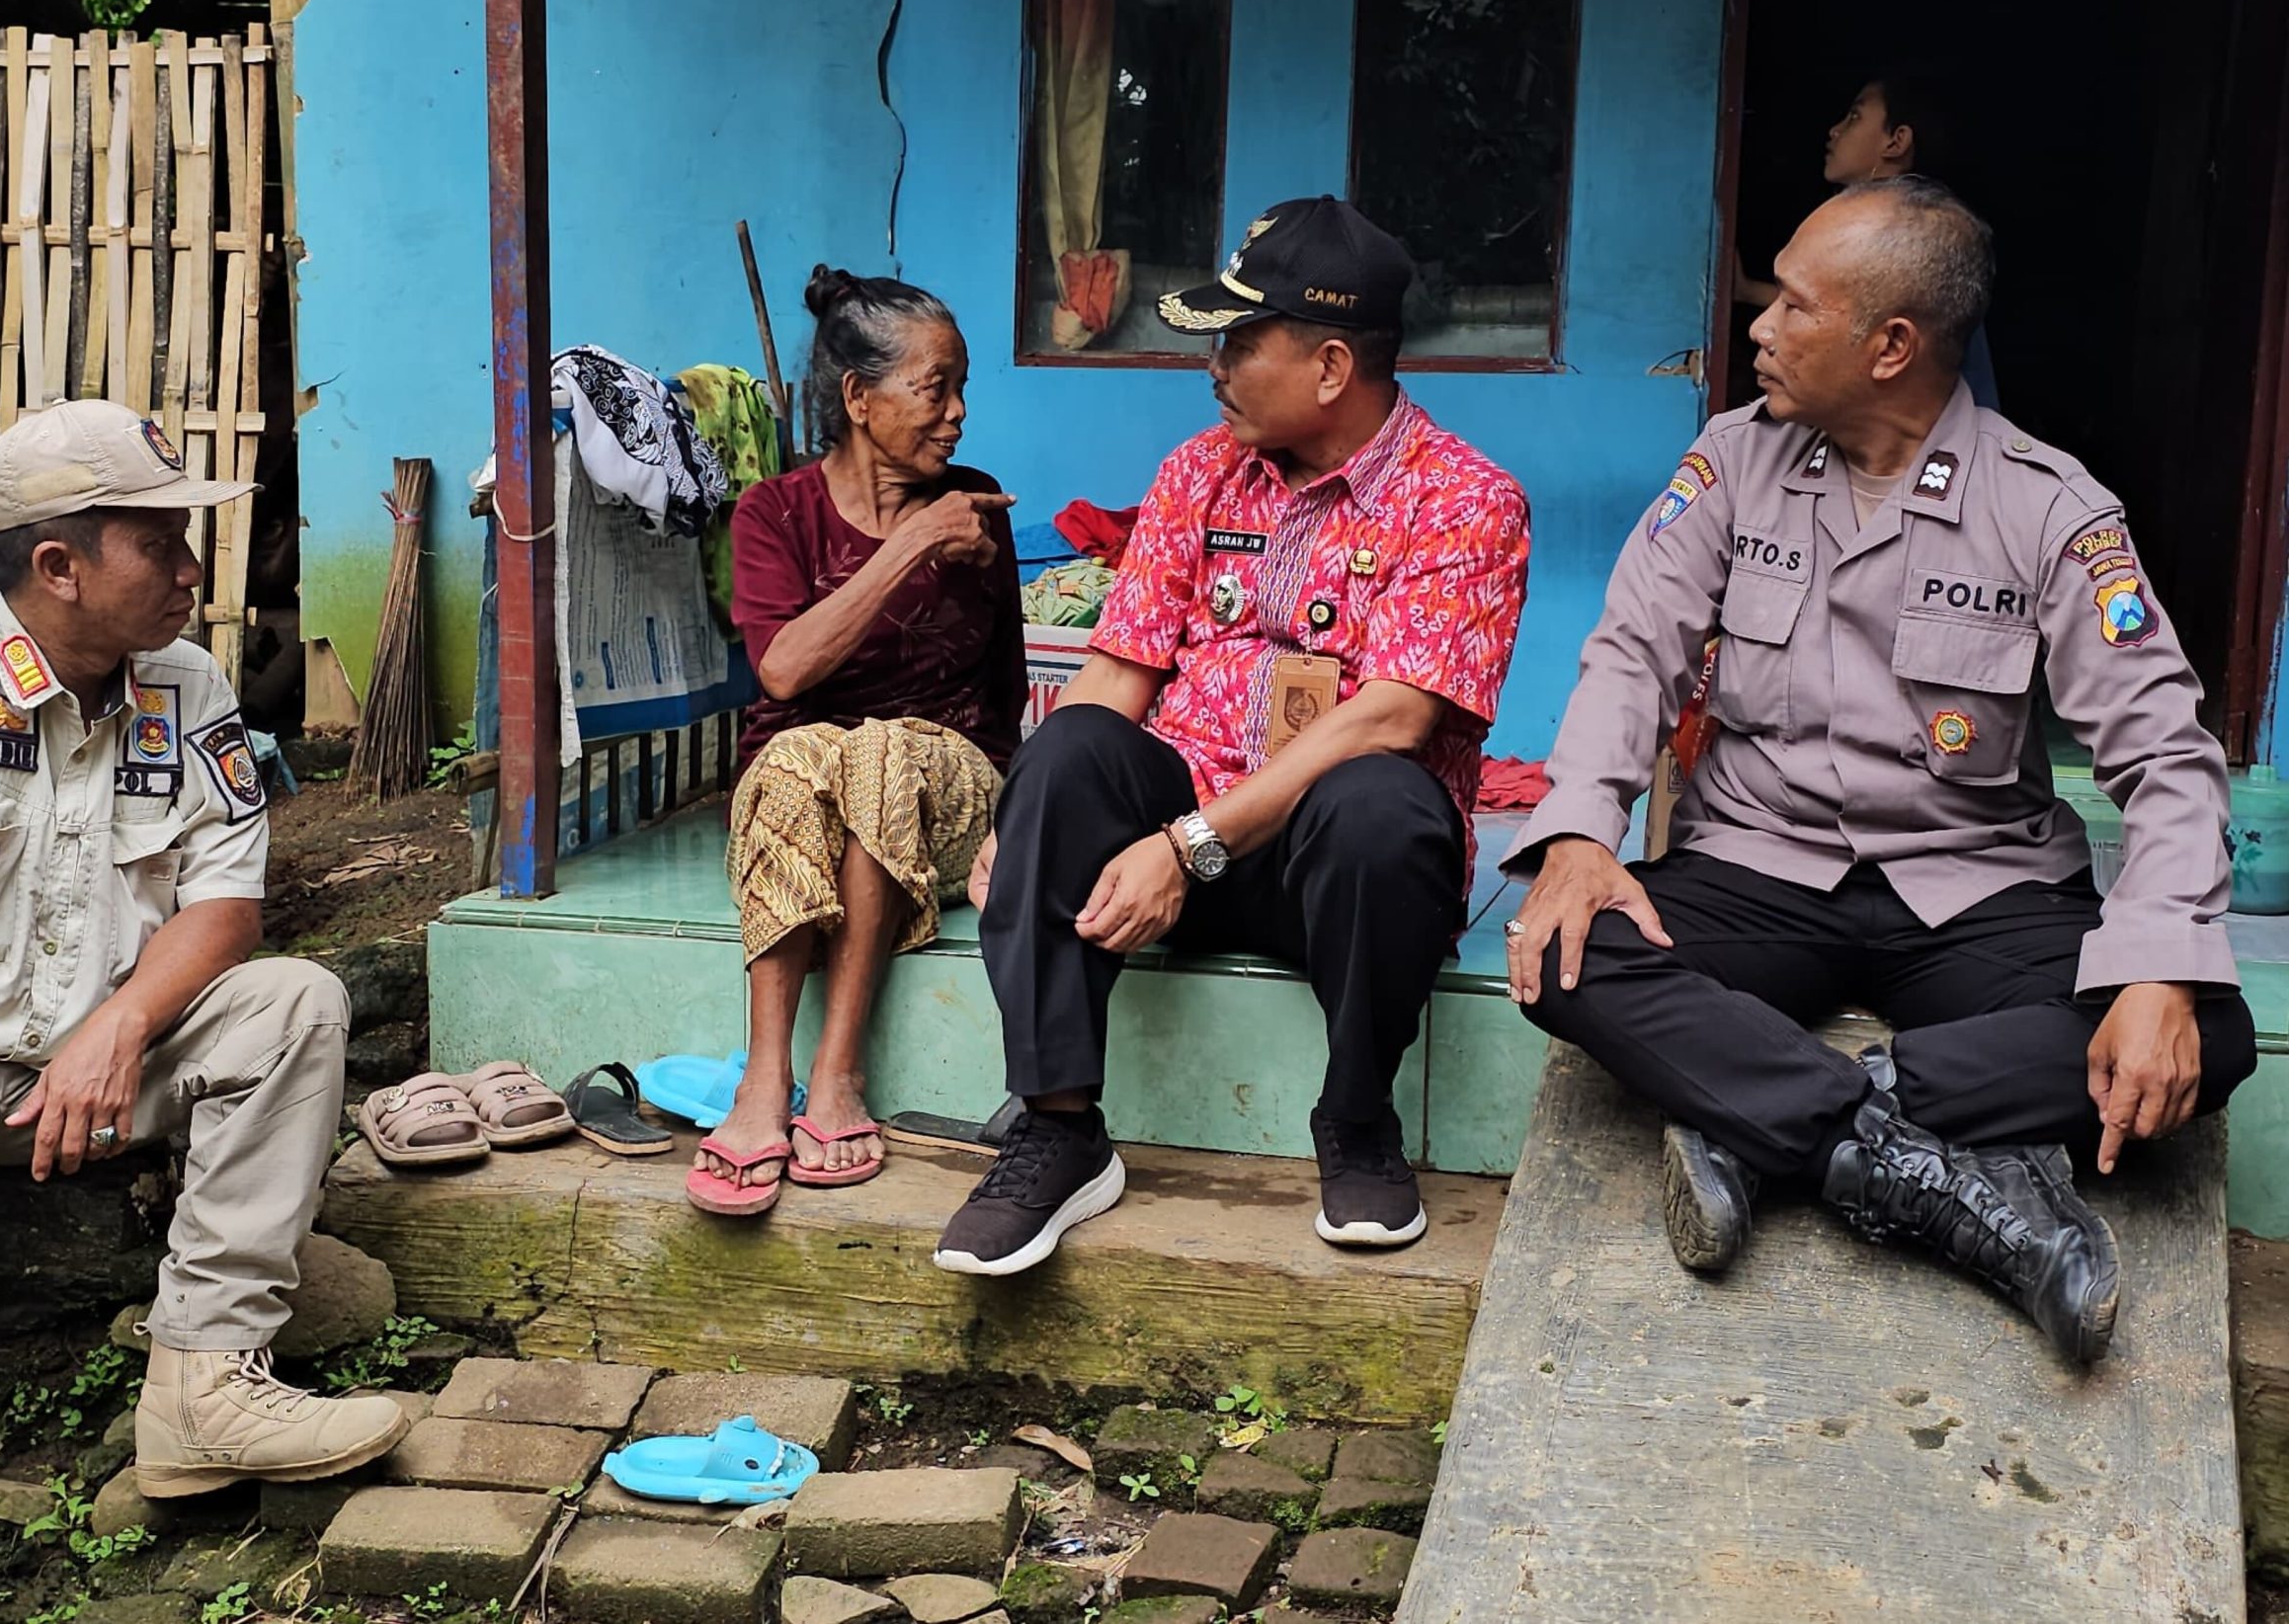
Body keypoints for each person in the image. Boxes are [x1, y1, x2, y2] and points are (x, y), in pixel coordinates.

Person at [1502, 178, 2256, 1365]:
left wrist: (2158, 962)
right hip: (1757, 865)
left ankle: (1769, 1125)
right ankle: (1929, 1176)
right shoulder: (1731, 463)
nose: (1757, 324)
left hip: (1974, 890)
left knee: (2203, 1027)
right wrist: (1581, 837)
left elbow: (2165, 756)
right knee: (1564, 950)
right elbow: (1631, 652)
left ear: (1891, 345)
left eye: (1794, 304)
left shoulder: (2050, 509)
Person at [0, 401, 409, 1591]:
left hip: (90, 1067)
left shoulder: (187, 681)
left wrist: (118, 1024)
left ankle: (204, 1386)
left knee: (293, 1003)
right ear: (58, 567)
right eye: (159, 541)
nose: (192, 567)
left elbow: (226, 909)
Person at [935, 196, 1531, 1274]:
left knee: (1380, 802)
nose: (1213, 365)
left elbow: (1393, 715)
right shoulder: (1196, 471)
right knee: (1062, 757)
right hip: (1171, 852)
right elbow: (1116, 671)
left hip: (1329, 882)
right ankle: (1060, 1129)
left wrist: (1187, 846)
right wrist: (1023, 820)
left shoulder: (1465, 501)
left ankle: (1355, 1121)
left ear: (1332, 367)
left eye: (1239, 341)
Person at [698, 268, 1025, 1215]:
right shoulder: (775, 513)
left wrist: (1020, 810)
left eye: (962, 387)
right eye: (937, 388)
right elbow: (785, 673)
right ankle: (767, 1081)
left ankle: (833, 1074)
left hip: (945, 779)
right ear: (858, 397)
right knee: (806, 756)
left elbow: (1004, 689)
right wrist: (913, 544)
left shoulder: (980, 505)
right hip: (800, 781)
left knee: (878, 748)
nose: (959, 413)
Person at [1734, 73, 2000, 409]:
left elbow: (1848, 311)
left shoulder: (1915, 236)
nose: (1835, 130)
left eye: (1855, 117)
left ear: (1896, 141)